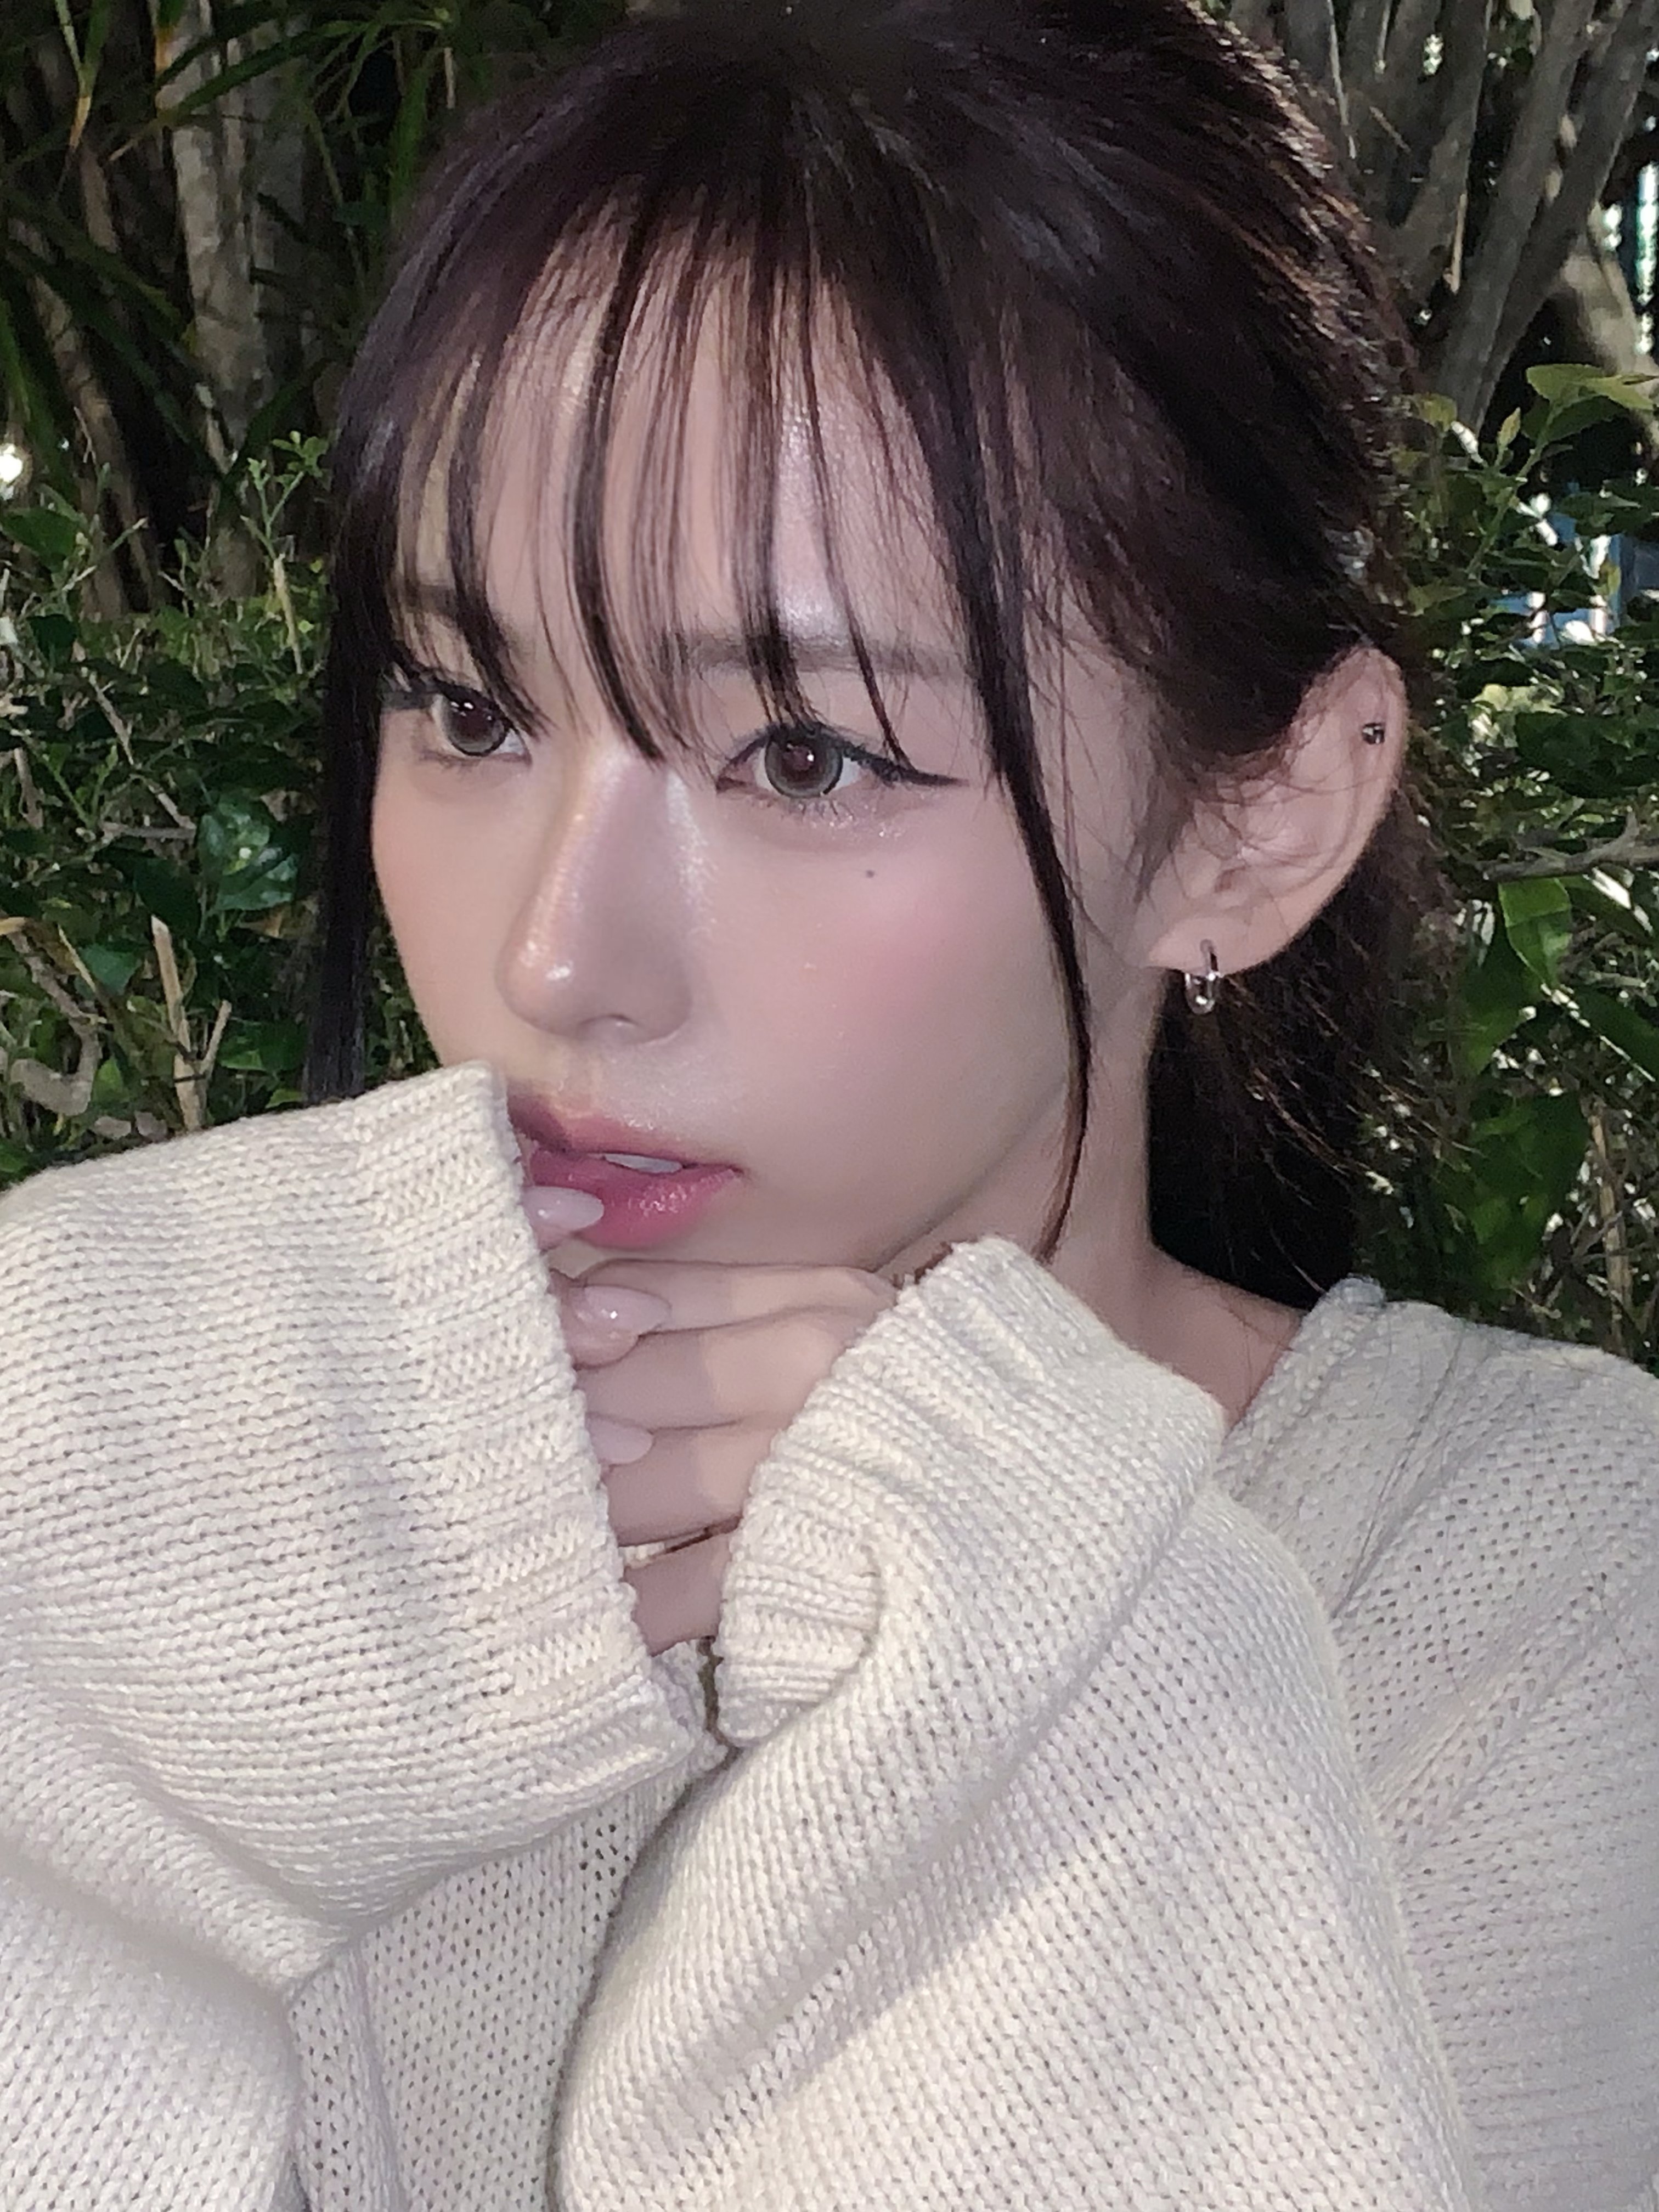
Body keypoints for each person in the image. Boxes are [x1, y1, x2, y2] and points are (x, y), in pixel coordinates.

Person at [3, 2, 1655, 2206]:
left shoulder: (1554, 1617)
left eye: (805, 756)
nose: (556, 961)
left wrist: (1030, 1622)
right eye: (467, 708)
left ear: (1255, 818)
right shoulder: (210, 1489)